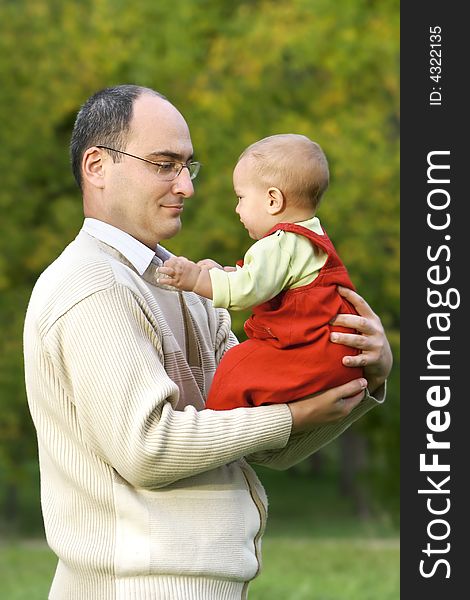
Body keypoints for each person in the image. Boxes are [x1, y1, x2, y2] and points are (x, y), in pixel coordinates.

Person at [23, 84, 392, 600]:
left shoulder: (192, 289)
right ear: (97, 166)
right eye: (162, 163)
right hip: (133, 590)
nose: (187, 187)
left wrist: (358, 373)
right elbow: (148, 449)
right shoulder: (90, 286)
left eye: (187, 167)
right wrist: (290, 417)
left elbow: (264, 443)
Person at [158, 133, 364, 410]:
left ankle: (218, 424)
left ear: (272, 201)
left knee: (235, 367)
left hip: (310, 353)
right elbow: (267, 285)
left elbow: (244, 292)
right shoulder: (309, 236)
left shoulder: (277, 244)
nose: (237, 209)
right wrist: (223, 274)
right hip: (338, 354)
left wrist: (195, 279)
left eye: (241, 198)